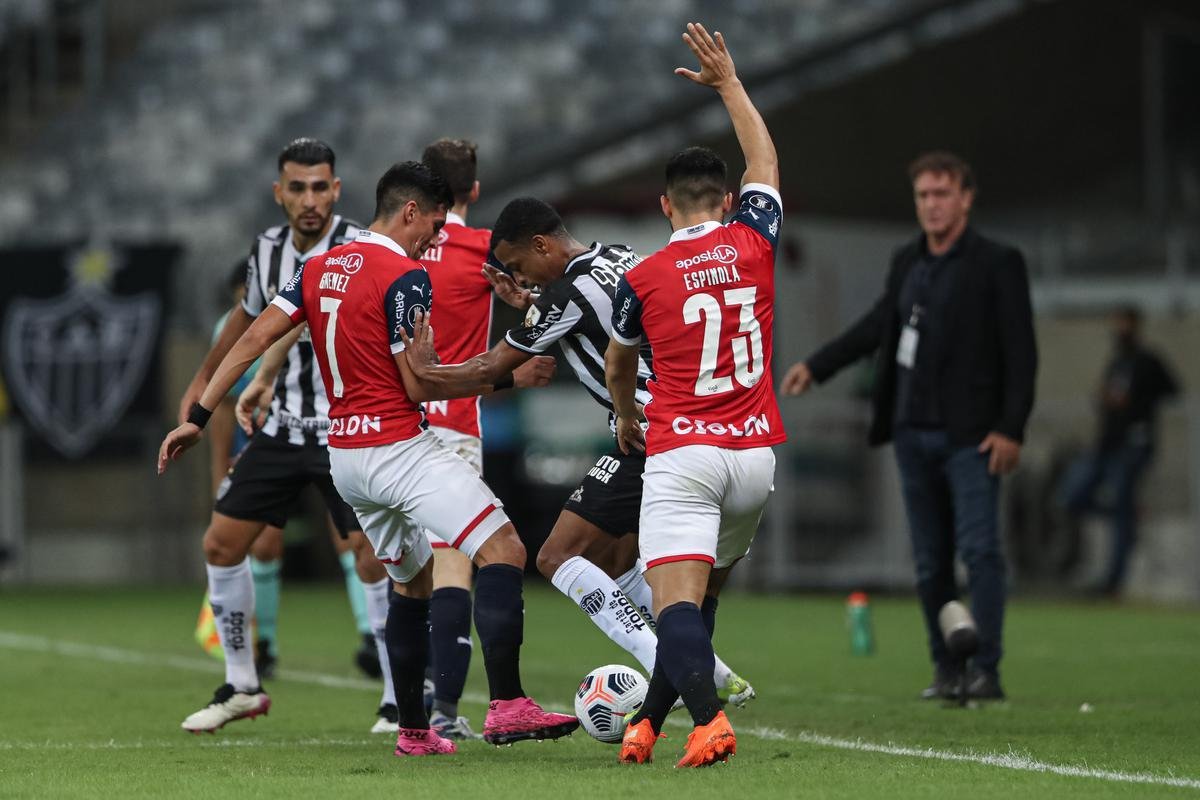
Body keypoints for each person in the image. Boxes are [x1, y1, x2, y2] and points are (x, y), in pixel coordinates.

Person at [159, 160, 576, 757]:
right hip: (396, 448)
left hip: (346, 457)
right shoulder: (405, 277)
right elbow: (419, 387)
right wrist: (505, 379)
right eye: (434, 223)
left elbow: (250, 338)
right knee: (505, 548)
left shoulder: (318, 267)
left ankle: (412, 730)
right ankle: (508, 706)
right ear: (410, 212)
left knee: (411, 584)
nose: (437, 237)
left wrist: (196, 416)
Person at [402, 195, 754, 709]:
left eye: (523, 267)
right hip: (692, 423)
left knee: (556, 554)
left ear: (542, 244)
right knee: (612, 562)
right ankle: (713, 672)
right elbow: (588, 312)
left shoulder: (563, 294)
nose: (525, 280)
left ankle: (673, 668)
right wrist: (529, 301)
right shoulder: (621, 256)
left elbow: (492, 366)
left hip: (648, 433)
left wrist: (426, 373)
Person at [782, 149, 1037, 701]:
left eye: (942, 193)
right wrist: (818, 365)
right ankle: (946, 668)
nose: (932, 205)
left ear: (965, 198)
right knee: (928, 562)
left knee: (981, 551)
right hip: (911, 433)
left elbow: (1022, 352)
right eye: (923, 195)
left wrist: (1012, 426)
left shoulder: (997, 263)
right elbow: (879, 326)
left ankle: (985, 670)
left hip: (973, 437)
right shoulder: (908, 261)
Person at [604, 23, 785, 768]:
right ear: (731, 200)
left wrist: (623, 415)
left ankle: (709, 722)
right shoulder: (755, 240)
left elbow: (619, 362)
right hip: (756, 462)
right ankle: (649, 720)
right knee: (700, 602)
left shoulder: (642, 278)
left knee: (671, 604)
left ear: (663, 205)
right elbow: (766, 158)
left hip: (684, 452)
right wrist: (728, 84)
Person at [173, 138, 386, 732]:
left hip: (347, 428)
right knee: (222, 544)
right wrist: (200, 389)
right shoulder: (265, 250)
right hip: (285, 428)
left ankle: (400, 697)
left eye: (321, 187)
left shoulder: (361, 248)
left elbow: (306, 318)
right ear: (280, 193)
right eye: (298, 187)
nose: (310, 199)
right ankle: (243, 682)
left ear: (337, 191)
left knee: (372, 557)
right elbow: (245, 326)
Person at [1060, 305, 1179, 595]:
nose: (1118, 329)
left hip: (1133, 445)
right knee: (1072, 495)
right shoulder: (1116, 362)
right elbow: (1107, 398)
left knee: (1122, 497)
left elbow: (1173, 391)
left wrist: (1137, 403)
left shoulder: (1148, 360)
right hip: (1106, 445)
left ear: (1135, 325)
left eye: (1123, 323)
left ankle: (1113, 581)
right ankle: (1127, 516)